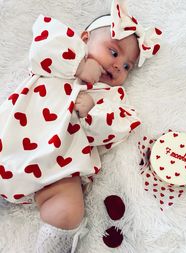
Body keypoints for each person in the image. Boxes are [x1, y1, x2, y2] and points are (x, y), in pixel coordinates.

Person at [0, 0, 161, 252]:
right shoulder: (63, 57)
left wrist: (92, 111)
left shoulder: (110, 97)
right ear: (84, 38)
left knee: (67, 210)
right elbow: (43, 35)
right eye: (114, 52)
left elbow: (116, 129)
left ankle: (55, 243)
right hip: (9, 142)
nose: (119, 65)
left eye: (127, 66)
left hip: (56, 174)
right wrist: (78, 65)